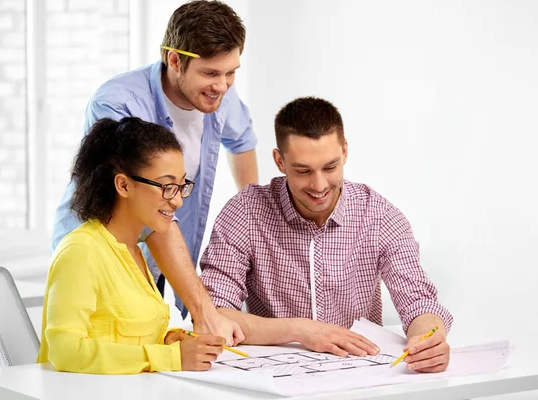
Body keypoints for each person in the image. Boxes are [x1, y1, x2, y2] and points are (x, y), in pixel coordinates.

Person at [51, 0, 257, 345]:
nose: (222, 85)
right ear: (174, 60)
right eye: (210, 73)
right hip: (105, 257)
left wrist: (254, 218)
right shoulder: (118, 103)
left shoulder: (221, 92)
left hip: (163, 258)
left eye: (231, 72)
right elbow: (147, 207)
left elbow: (242, 140)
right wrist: (204, 312)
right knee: (107, 359)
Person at [200, 97, 454, 373]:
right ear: (279, 161)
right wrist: (301, 330)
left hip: (360, 374)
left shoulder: (378, 215)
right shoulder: (245, 212)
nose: (319, 185)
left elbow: (418, 301)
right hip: (274, 377)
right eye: (303, 171)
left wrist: (429, 338)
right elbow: (213, 314)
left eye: (330, 167)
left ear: (345, 152)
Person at [38, 117, 226, 374]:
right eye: (167, 186)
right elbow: (65, 351)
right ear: (124, 185)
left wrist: (167, 342)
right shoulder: (81, 251)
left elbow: (117, 337)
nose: (178, 202)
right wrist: (168, 358)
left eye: (181, 186)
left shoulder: (133, 251)